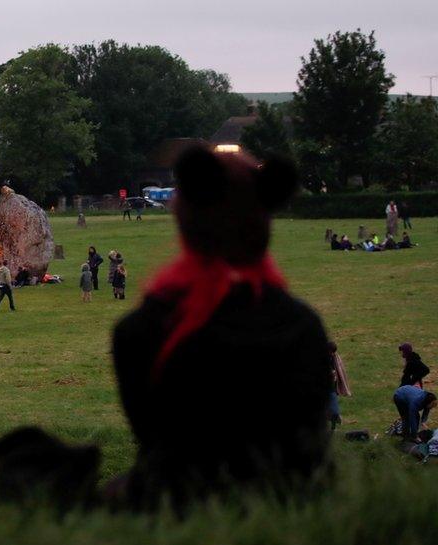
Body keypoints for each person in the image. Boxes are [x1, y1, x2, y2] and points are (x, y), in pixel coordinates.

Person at [109, 147, 331, 513]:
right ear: (265, 217)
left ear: (185, 218)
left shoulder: (140, 331)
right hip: (287, 514)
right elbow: (308, 450)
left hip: (174, 513)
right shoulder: (302, 326)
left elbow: (153, 445)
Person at [327, 341, 352, 430]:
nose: (332, 354)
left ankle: (333, 427)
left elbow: (339, 369)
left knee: (334, 411)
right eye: (331, 352)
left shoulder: (334, 357)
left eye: (334, 352)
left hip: (332, 388)